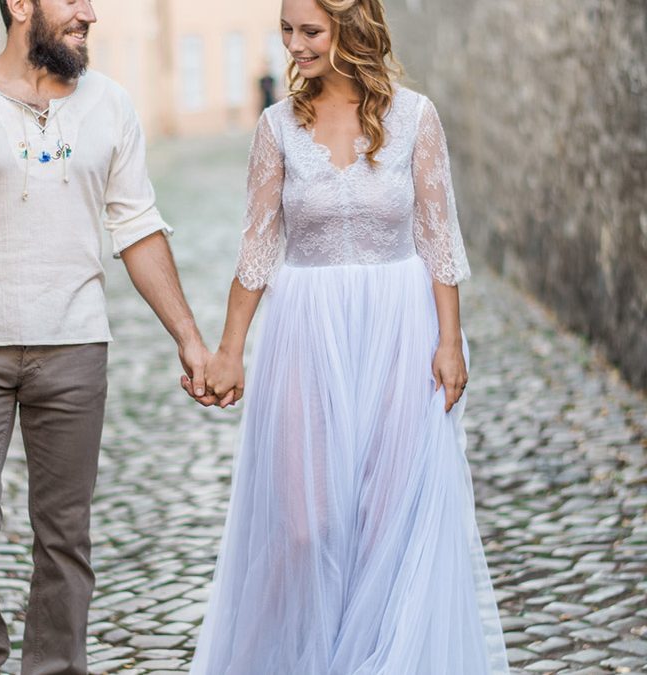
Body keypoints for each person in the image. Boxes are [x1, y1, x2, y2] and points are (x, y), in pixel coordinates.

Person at [183, 0, 510, 672]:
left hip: (400, 327)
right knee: (305, 525)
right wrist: (229, 349)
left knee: (389, 522)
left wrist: (449, 342)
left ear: (351, 31)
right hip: (305, 330)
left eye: (310, 32)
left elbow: (437, 236)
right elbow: (257, 249)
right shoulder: (277, 127)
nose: (294, 46)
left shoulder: (415, 117)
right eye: (287, 31)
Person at [0, 1, 209, 673]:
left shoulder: (111, 106)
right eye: (72, 1)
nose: (89, 13)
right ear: (19, 6)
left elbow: (138, 226)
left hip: (74, 345)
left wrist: (190, 337)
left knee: (65, 535)